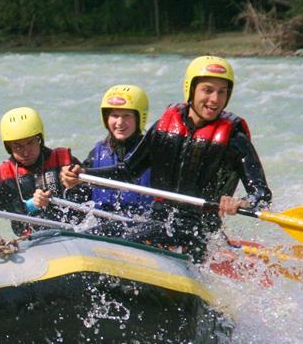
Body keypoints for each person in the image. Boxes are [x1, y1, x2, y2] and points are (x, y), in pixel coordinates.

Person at [62, 56, 272, 262]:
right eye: (207, 90)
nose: (215, 99)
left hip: (199, 230)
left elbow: (261, 195)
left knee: (128, 240)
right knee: (92, 235)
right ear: (191, 89)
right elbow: (127, 172)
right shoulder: (163, 129)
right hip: (159, 220)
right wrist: (84, 175)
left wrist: (241, 202)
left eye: (222, 92)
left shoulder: (235, 140)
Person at [0, 106, 82, 237]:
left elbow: (94, 200)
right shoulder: (3, 179)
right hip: (32, 241)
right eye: (18, 146)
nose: (26, 152)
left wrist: (77, 181)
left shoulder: (64, 163)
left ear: (40, 139)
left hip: (76, 234)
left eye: (30, 143)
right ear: (8, 147)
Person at [81, 84, 153, 219]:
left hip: (143, 224)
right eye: (114, 115)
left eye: (127, 116)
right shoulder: (96, 154)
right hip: (102, 223)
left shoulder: (151, 153)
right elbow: (79, 194)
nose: (120, 122)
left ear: (139, 118)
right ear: (106, 119)